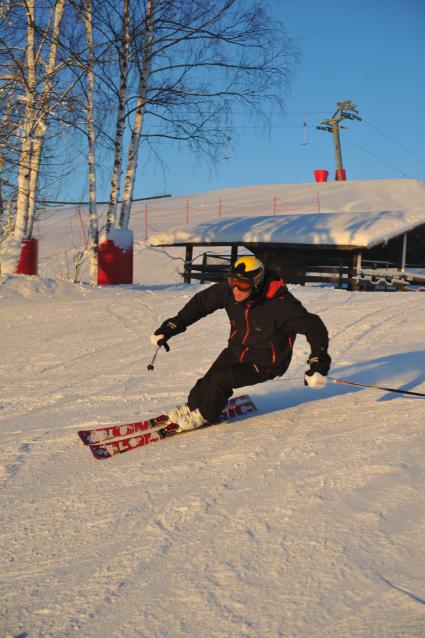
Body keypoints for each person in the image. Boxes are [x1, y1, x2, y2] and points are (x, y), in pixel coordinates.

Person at [150, 256, 331, 432]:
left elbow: (314, 328)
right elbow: (201, 304)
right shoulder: (231, 291)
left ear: (257, 283)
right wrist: (171, 327)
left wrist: (318, 363)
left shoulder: (281, 305)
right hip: (237, 349)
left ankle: (206, 414)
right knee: (208, 381)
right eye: (232, 282)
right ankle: (193, 406)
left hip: (266, 362)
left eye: (243, 285)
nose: (236, 289)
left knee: (222, 379)